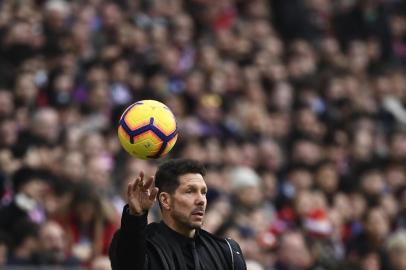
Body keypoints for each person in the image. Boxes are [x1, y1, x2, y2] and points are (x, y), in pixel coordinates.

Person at [109, 158, 247, 270]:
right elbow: (127, 264)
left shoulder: (227, 250)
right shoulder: (144, 245)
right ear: (165, 200)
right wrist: (135, 217)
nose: (201, 200)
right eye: (190, 191)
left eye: (203, 192)